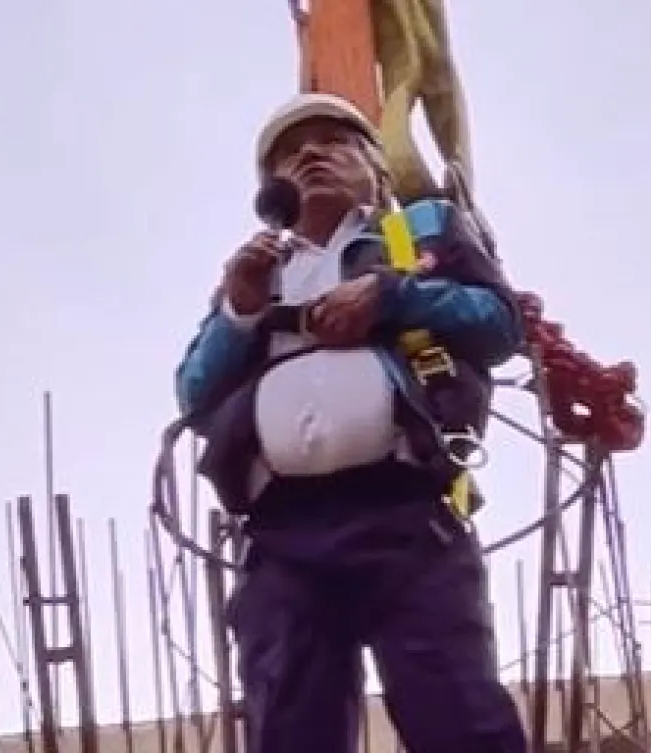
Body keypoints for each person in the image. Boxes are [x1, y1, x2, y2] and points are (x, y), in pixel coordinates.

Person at [174, 92, 528, 753]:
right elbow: (194, 392)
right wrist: (241, 311)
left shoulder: (416, 233)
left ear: (377, 167)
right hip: (281, 536)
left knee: (459, 717)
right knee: (290, 725)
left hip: (407, 513)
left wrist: (392, 292)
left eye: (333, 141)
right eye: (289, 154)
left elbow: (500, 325)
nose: (309, 154)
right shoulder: (258, 272)